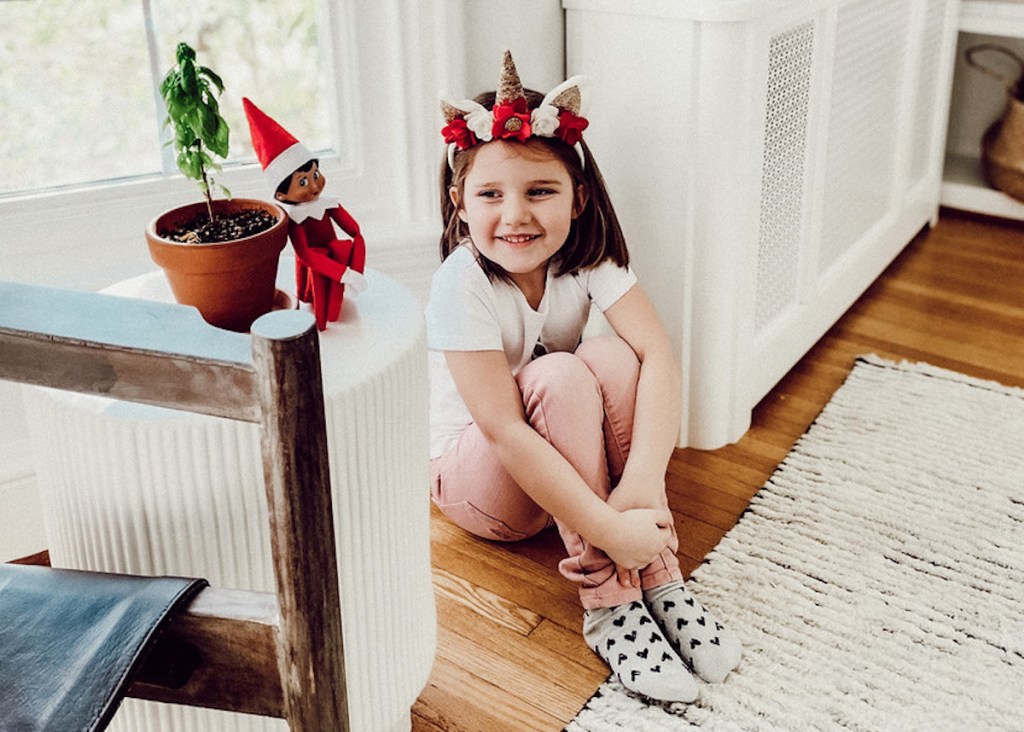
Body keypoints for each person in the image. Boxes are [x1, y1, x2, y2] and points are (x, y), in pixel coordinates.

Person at [426, 51, 742, 703]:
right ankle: (610, 604)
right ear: (460, 203)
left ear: (579, 198)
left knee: (616, 358)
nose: (515, 216)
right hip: (485, 488)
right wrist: (604, 528)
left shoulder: (583, 259)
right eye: (491, 194)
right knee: (565, 374)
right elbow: (505, 431)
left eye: (540, 191)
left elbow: (660, 358)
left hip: (568, 477)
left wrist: (642, 487)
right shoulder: (460, 285)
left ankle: (658, 576)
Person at [243, 97, 367, 330]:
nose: (314, 186)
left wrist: (355, 268)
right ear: (280, 195)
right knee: (309, 291)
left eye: (316, 174)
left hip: (337, 259)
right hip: (319, 264)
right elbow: (306, 255)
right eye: (302, 181)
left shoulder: (329, 204)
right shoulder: (295, 219)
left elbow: (355, 231)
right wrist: (343, 273)